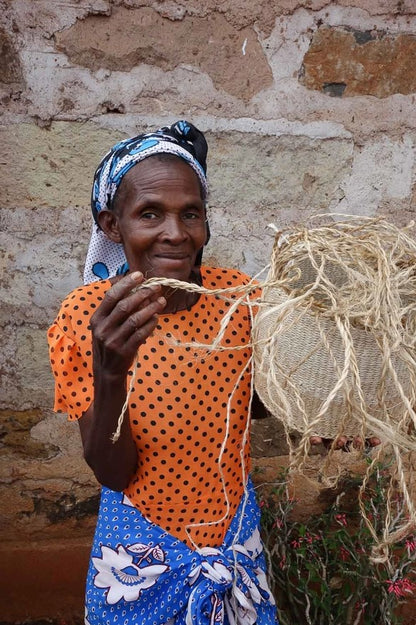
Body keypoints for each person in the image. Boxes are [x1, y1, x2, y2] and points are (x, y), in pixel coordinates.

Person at [47, 120, 279, 625]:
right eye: (150, 213)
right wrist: (111, 372)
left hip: (234, 534)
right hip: (140, 549)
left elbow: (259, 405)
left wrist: (328, 404)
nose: (175, 234)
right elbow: (112, 472)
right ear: (112, 225)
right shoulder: (87, 317)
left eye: (189, 214)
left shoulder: (238, 300)